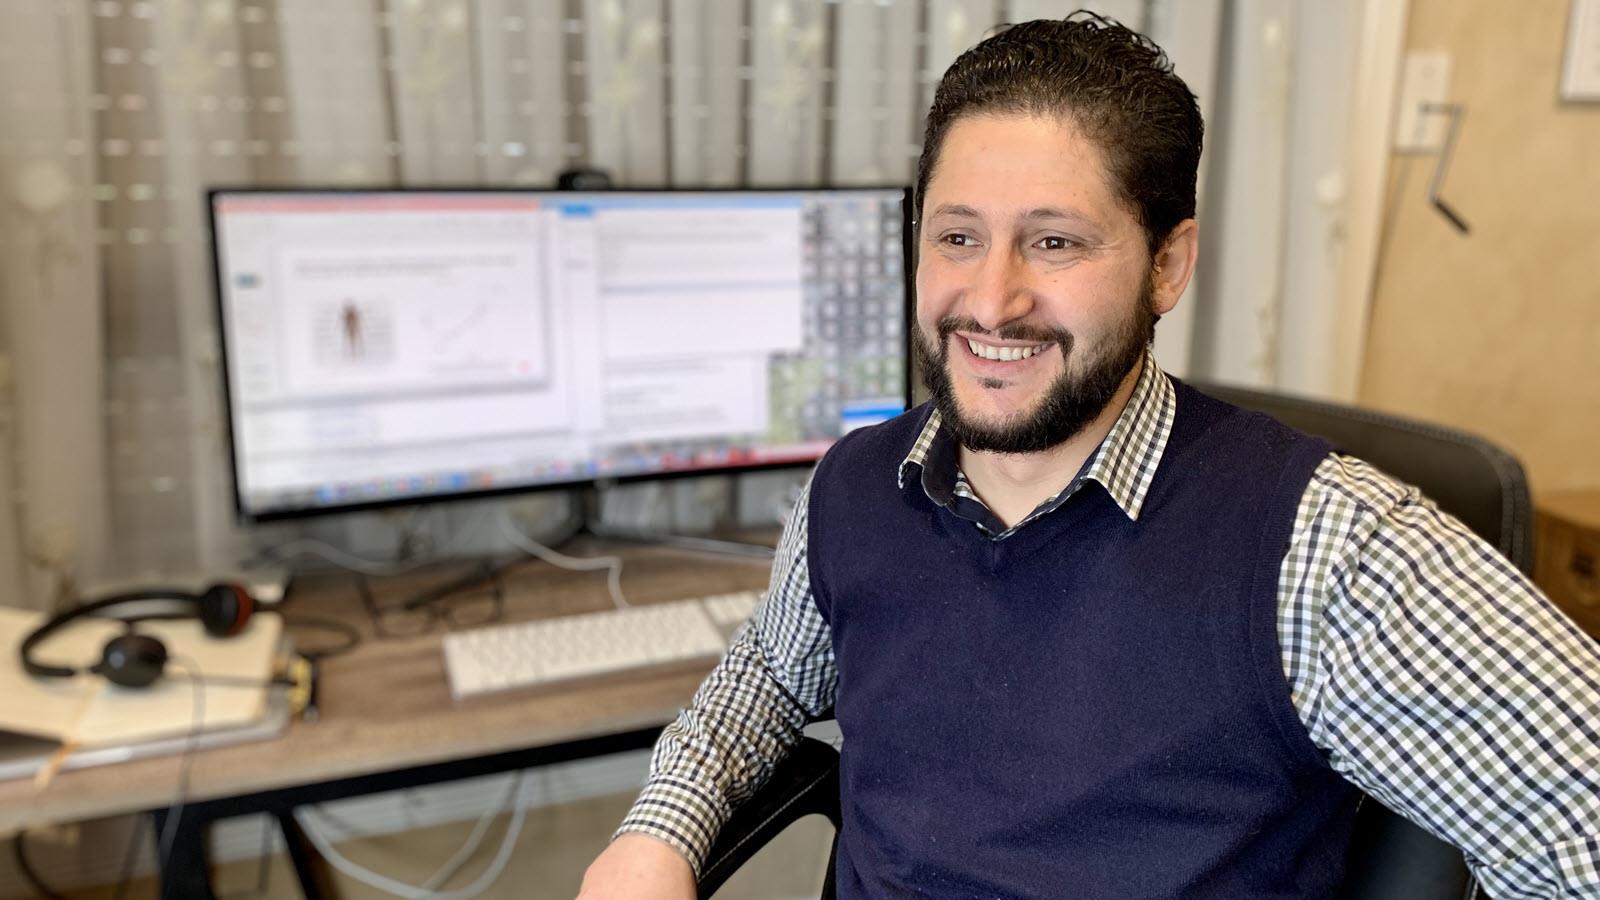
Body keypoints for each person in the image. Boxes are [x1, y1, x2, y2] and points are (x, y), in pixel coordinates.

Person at [579, 14, 1600, 899]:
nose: (990, 300)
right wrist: (658, 829)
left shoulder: (1327, 553)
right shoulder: (856, 488)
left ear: (1168, 264)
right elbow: (768, 672)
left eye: (1055, 242)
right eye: (958, 237)